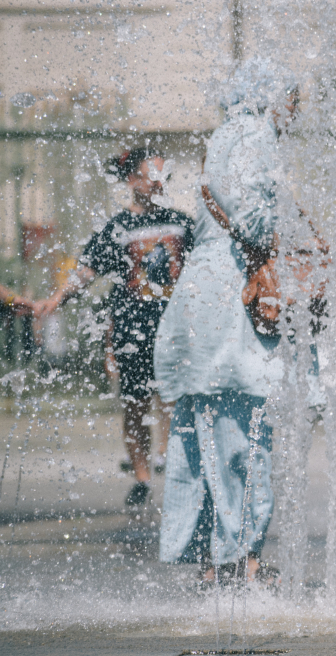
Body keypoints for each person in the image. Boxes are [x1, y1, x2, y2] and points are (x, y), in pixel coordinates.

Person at [153, 57, 297, 584]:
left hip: (201, 290)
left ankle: (208, 558)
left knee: (199, 426)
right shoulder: (257, 133)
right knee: (241, 426)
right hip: (229, 294)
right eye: (292, 100)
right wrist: (279, 247)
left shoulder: (223, 136)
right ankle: (242, 556)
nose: (294, 114)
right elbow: (254, 217)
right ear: (270, 96)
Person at [34, 147, 193, 507]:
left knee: (172, 400)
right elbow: (86, 271)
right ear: (132, 179)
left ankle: (168, 461)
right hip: (131, 329)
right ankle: (141, 476)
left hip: (175, 328)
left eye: (164, 175)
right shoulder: (117, 227)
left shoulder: (182, 222)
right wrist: (55, 300)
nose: (159, 182)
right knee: (135, 402)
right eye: (152, 174)